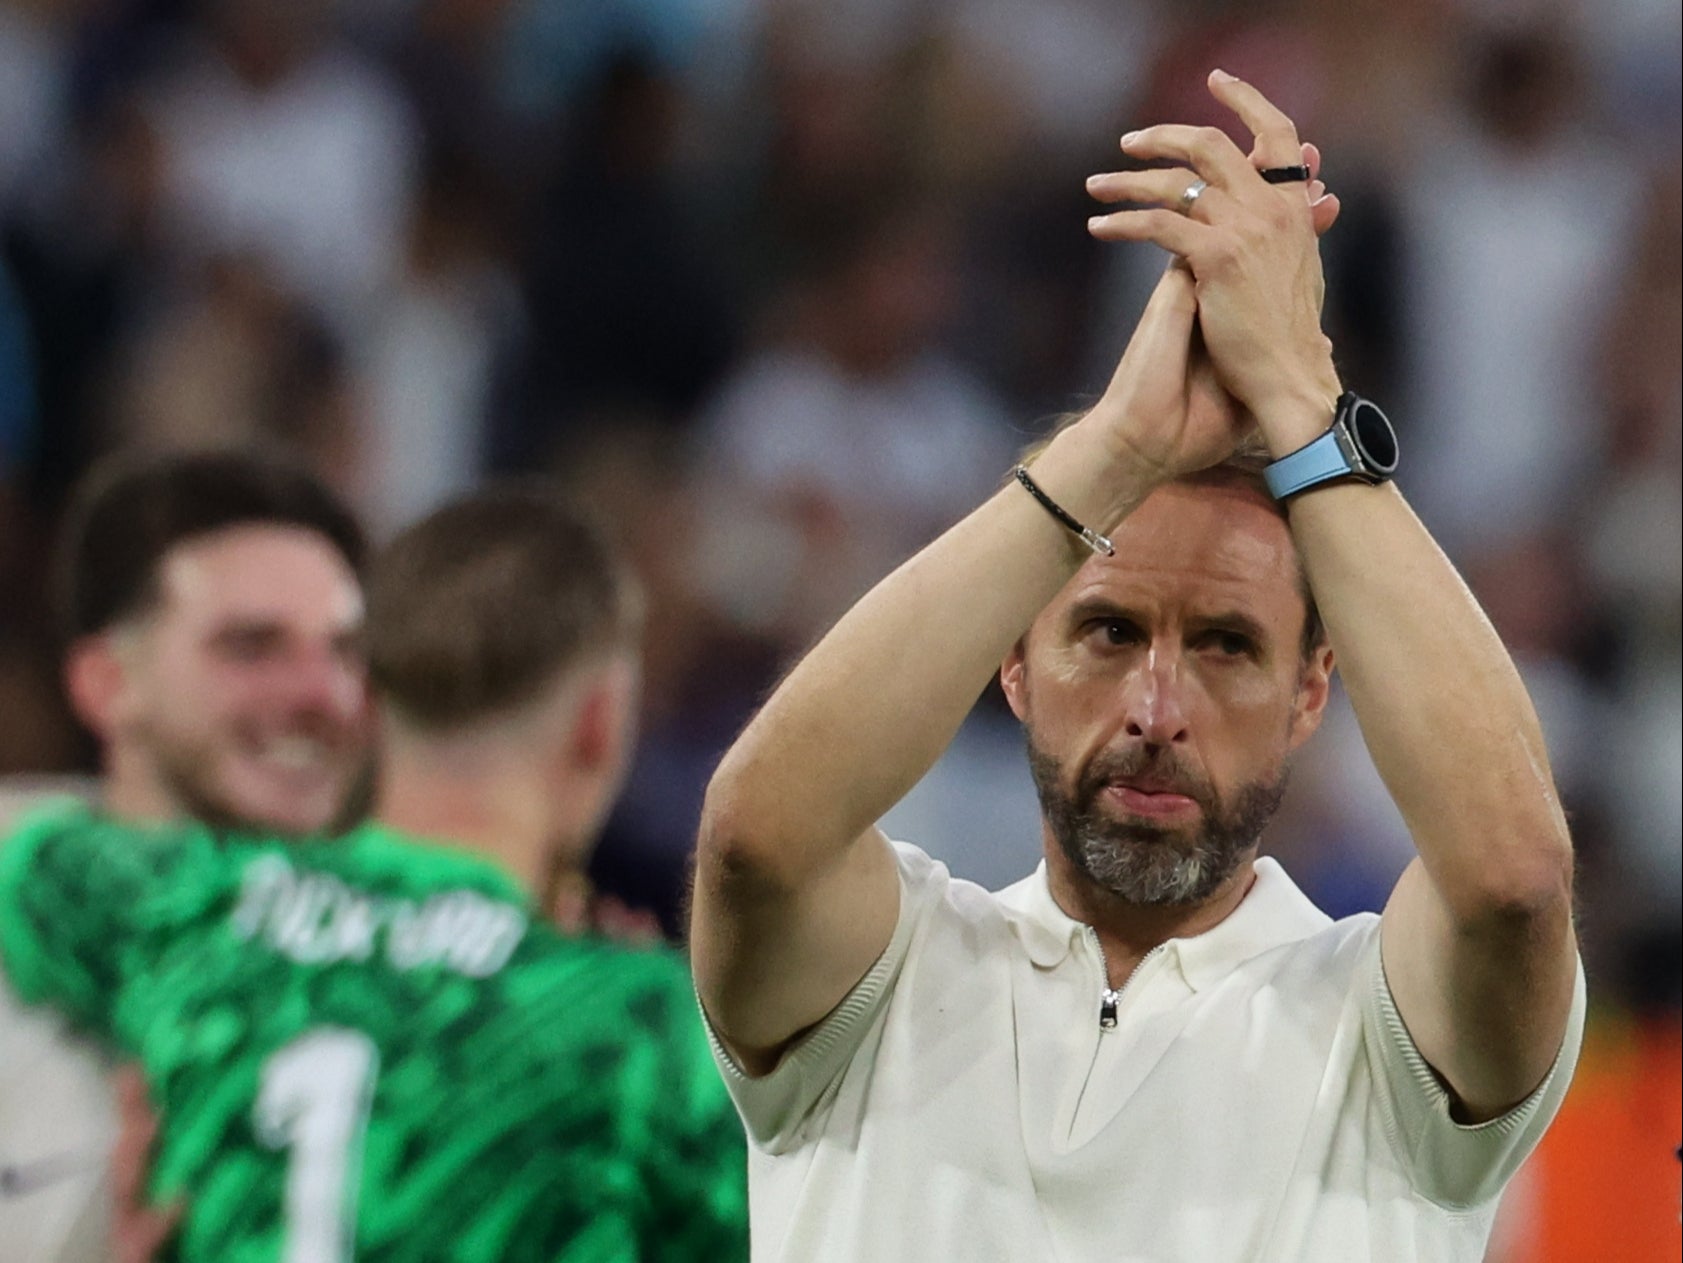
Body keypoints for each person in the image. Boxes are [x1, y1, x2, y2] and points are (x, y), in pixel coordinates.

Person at [690, 70, 1583, 1262]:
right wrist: (1114, 443)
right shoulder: (884, 971)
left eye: (1227, 646)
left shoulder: (1385, 1026)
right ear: (1010, 660)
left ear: (1314, 690)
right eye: (1109, 631)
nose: (1157, 709)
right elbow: (754, 837)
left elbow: (1516, 881)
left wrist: (1304, 401)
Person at [1, 483, 749, 1261]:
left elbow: (27, 842)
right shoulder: (645, 1028)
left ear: (363, 700)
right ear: (598, 722)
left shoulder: (187, 901)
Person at [1, 448, 371, 1263]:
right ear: (105, 683)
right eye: (251, 646)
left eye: (343, 649)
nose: (323, 694)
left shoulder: (430, 967)